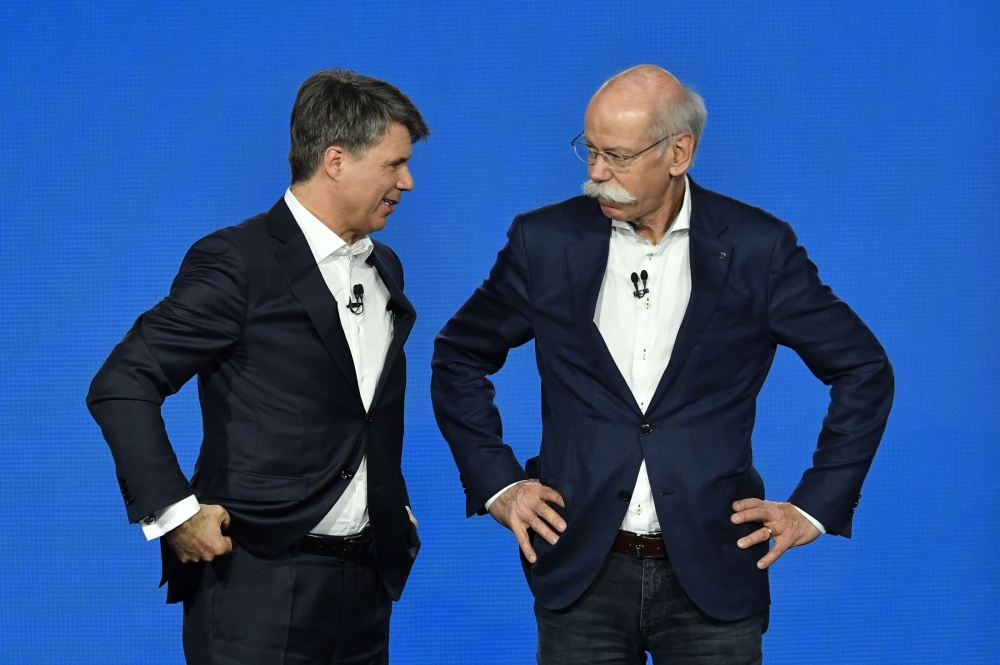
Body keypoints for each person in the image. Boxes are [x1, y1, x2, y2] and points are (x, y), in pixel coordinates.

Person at [431, 65, 893, 664]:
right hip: (581, 575)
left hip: (715, 576)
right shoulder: (542, 242)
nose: (597, 174)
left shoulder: (758, 247)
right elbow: (459, 354)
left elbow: (862, 368)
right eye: (590, 151)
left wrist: (813, 506)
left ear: (680, 152)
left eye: (617, 157)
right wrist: (501, 484)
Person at [87, 68, 428, 665]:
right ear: (337, 160)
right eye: (394, 164)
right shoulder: (237, 263)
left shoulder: (385, 267)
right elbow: (122, 382)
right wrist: (174, 514)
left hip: (366, 589)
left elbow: (357, 410)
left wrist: (384, 498)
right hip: (259, 589)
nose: (408, 181)